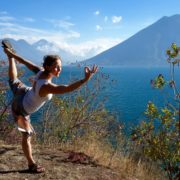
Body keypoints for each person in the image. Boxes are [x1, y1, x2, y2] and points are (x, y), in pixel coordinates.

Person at [2, 40, 98, 173]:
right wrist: (85, 80)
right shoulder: (46, 86)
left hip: (24, 92)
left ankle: (10, 57)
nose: (59, 69)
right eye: (56, 67)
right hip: (21, 108)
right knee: (27, 136)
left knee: (14, 81)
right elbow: (67, 88)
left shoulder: (40, 71)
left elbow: (24, 61)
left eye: (60, 66)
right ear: (47, 67)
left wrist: (12, 54)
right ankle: (31, 165)